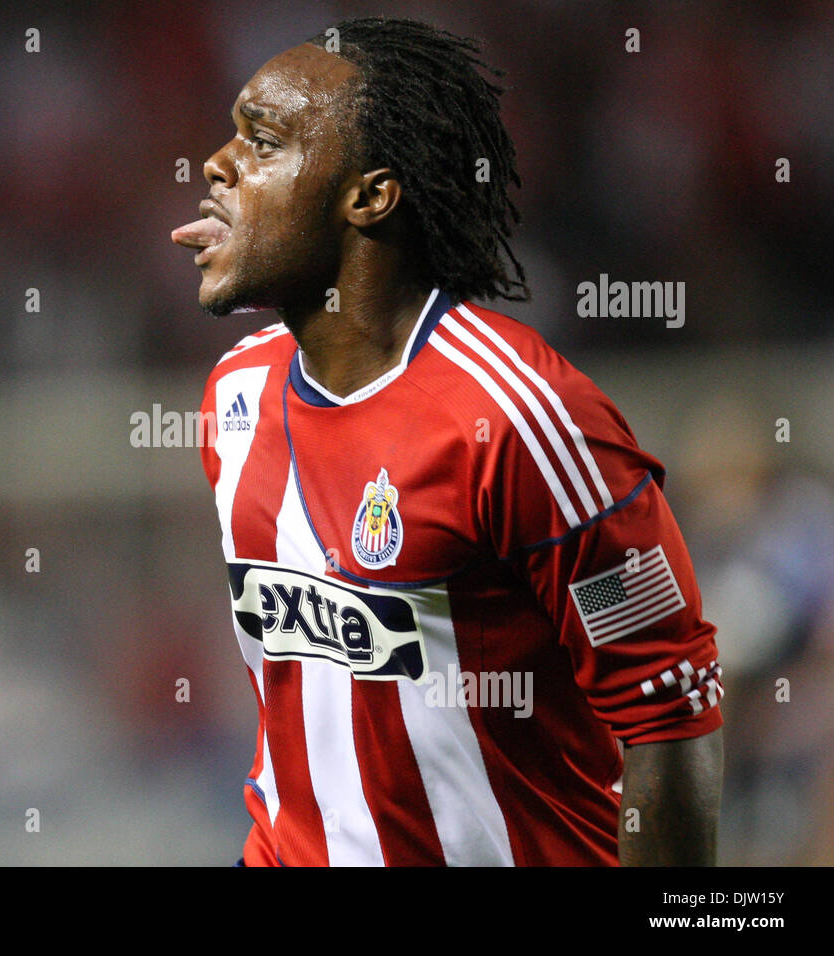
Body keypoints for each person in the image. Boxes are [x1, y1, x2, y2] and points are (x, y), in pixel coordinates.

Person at [171, 17, 723, 866]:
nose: (217, 163)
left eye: (264, 140)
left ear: (370, 196)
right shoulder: (234, 394)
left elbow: (668, 720)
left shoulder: (527, 422)